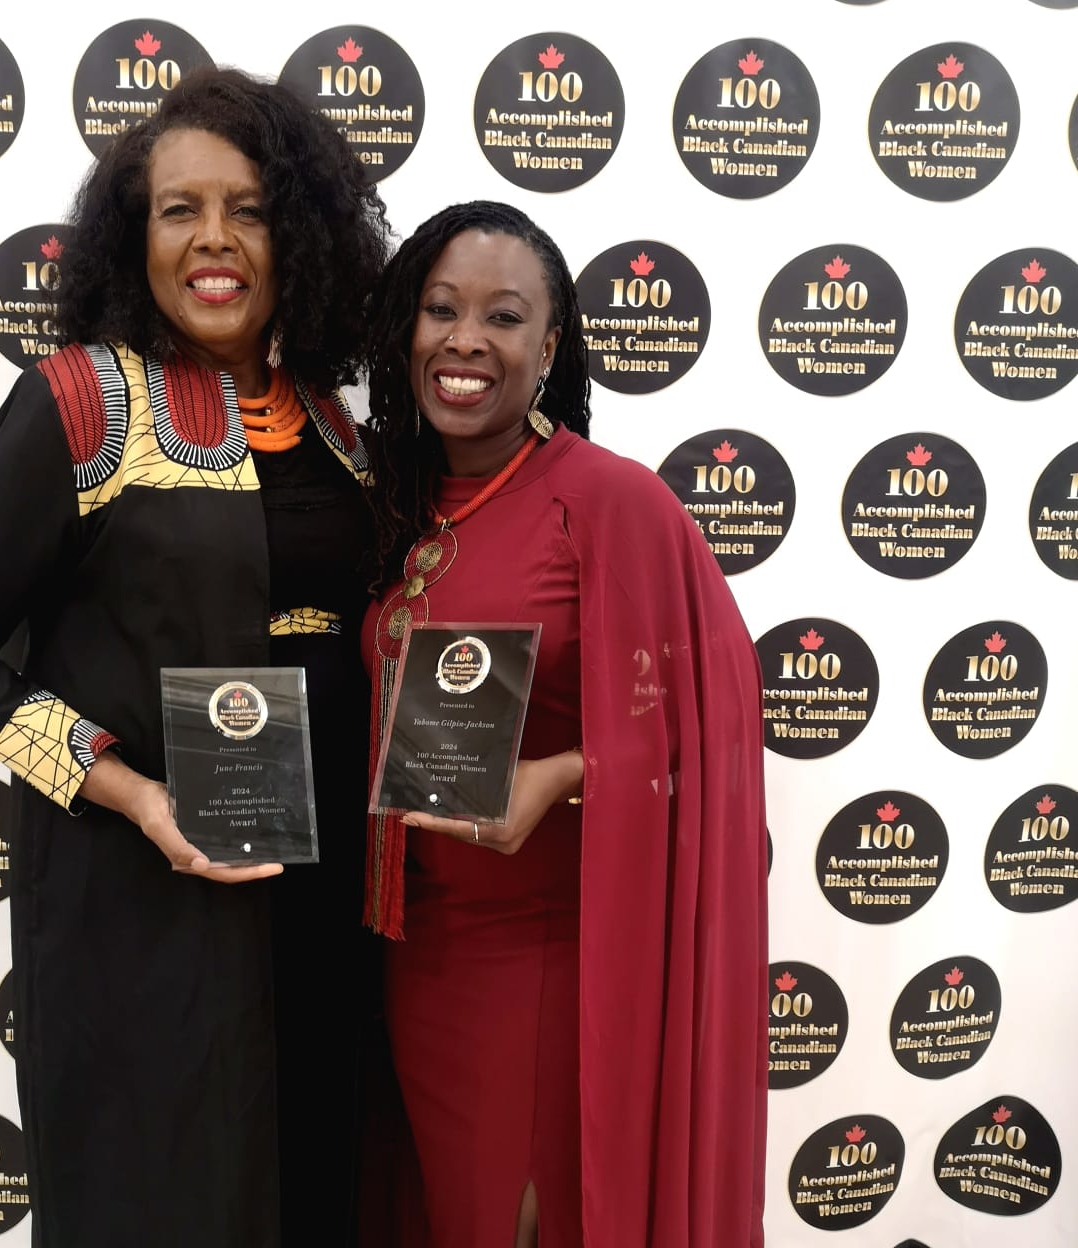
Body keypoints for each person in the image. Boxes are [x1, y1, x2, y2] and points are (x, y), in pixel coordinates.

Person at [0, 69, 389, 1248]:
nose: (215, 241)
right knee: (159, 1191)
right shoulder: (78, 402)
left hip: (319, 906)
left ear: (300, 237)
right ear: (135, 234)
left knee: (317, 1182)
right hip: (139, 902)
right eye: (180, 209)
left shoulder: (335, 425)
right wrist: (134, 793)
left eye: (251, 209)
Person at [360, 202, 768, 1248]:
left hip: (539, 960)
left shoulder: (608, 501)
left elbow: (711, 728)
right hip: (414, 957)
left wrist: (565, 775)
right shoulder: (397, 500)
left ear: (550, 347)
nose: (464, 342)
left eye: (503, 317)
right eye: (441, 310)